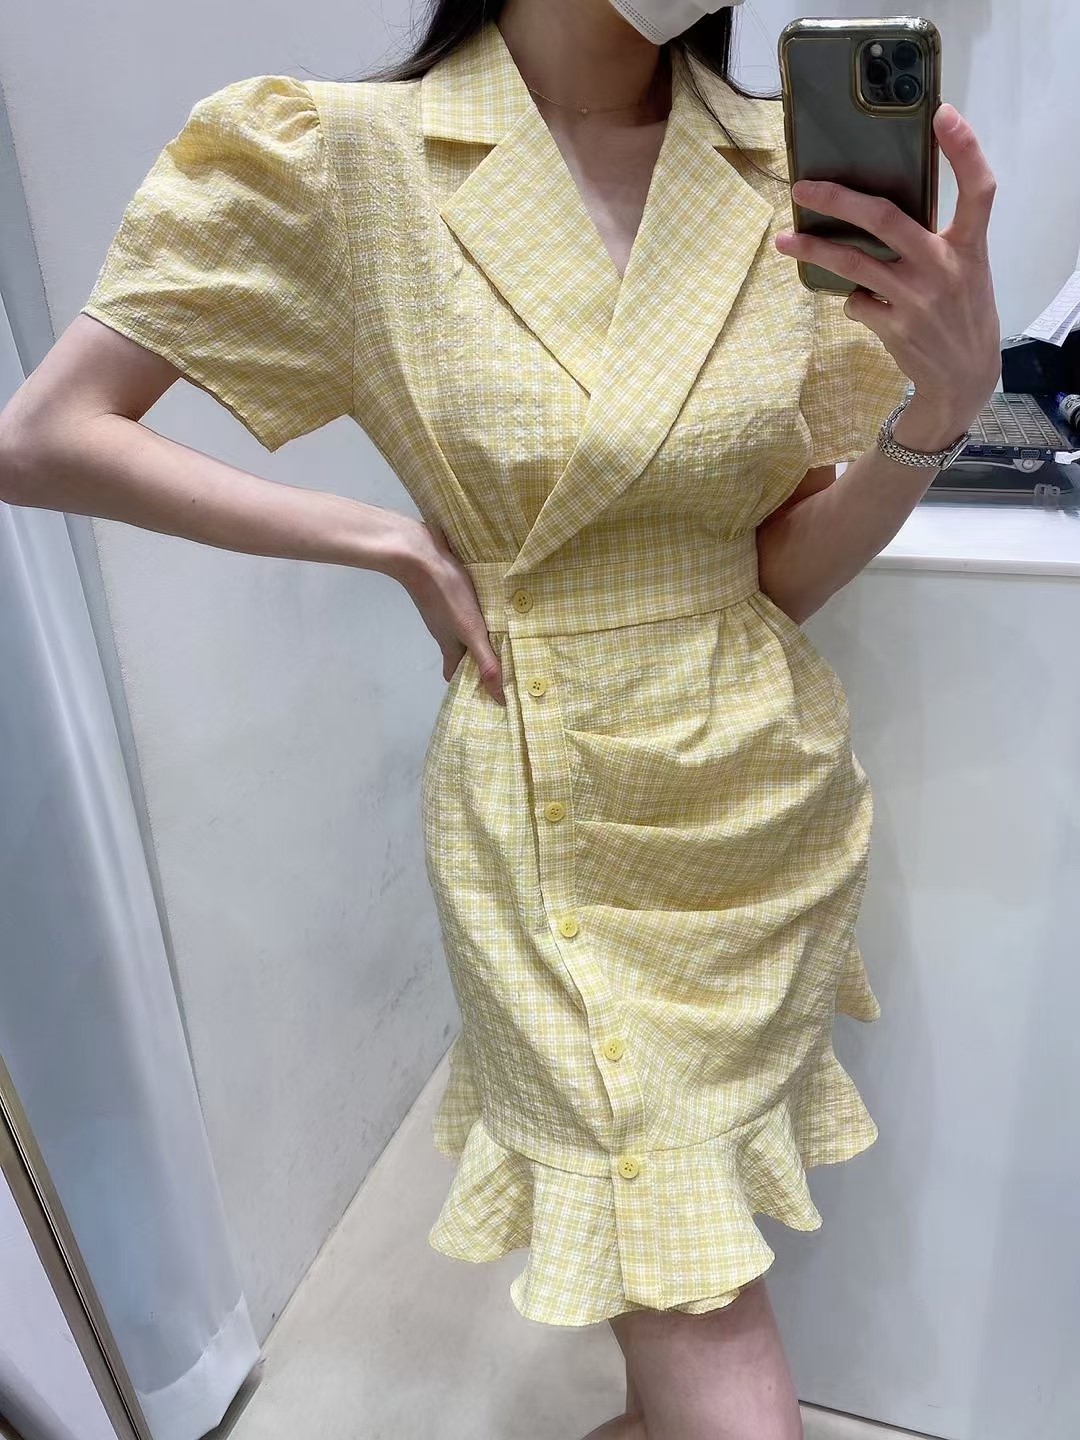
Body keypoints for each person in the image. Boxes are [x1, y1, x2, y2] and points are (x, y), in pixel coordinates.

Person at [0, 2, 1000, 1436]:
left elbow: (775, 573)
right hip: (550, 807)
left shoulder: (780, 166)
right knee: (703, 1310)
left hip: (754, 799)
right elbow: (43, 436)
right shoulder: (343, 161)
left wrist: (939, 415)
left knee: (685, 1240)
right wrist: (377, 537)